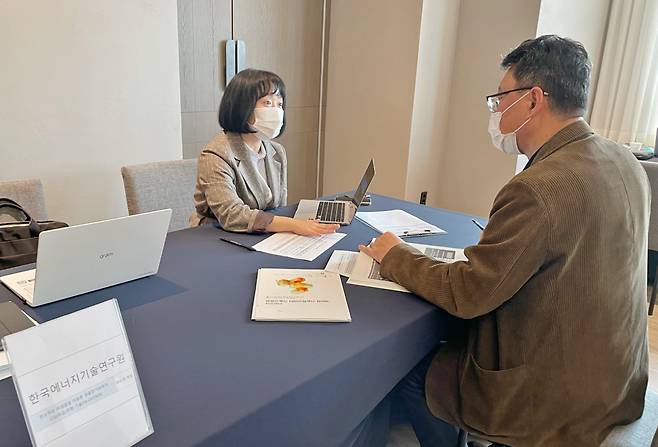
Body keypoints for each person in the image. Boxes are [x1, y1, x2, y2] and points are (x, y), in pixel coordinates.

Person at [360, 35, 650, 446]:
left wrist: (395, 255)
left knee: (410, 368)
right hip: (617, 377)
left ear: (533, 100)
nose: (495, 112)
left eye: (500, 99)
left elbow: (468, 294)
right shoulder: (625, 160)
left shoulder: (537, 188)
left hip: (552, 400)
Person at [189, 68, 339, 236]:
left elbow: (277, 207)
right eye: (267, 103)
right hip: (217, 236)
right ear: (242, 107)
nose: (276, 111)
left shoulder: (276, 151)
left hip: (261, 235)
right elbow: (232, 214)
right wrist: (294, 225)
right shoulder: (216, 154)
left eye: (280, 104)